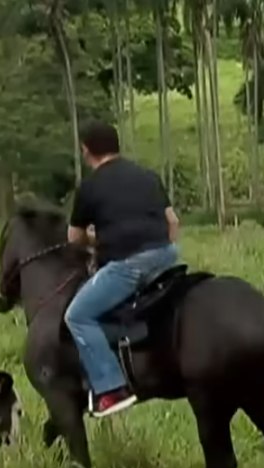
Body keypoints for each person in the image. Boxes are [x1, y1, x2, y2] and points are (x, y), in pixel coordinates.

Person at [65, 118, 180, 418]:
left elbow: (74, 239)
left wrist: (93, 241)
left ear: (86, 150)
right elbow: (172, 223)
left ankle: (110, 389)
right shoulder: (148, 176)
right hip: (167, 256)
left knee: (77, 315)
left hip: (128, 266)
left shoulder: (89, 187)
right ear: (117, 146)